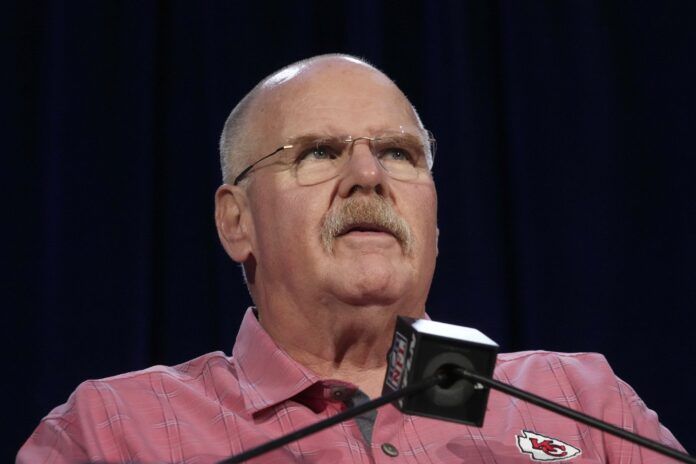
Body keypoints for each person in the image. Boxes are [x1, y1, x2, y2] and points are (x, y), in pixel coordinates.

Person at [18, 54, 685, 463]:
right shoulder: (110, 434)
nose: (368, 175)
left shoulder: (580, 402)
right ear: (236, 221)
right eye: (317, 152)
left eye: (399, 153)